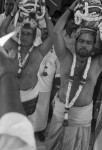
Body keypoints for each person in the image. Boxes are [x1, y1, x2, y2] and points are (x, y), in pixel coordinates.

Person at [45, 1, 102, 150]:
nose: (84, 45)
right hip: (59, 115)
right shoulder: (66, 58)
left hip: (81, 120)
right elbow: (57, 32)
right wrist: (71, 8)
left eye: (89, 42)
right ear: (75, 41)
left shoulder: (96, 64)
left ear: (94, 45)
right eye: (81, 41)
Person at [0, 1, 54, 130]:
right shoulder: (13, 47)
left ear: (34, 36)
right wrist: (13, 12)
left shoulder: (38, 52)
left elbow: (52, 36)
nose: (24, 37)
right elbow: (1, 31)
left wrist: (46, 15)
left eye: (28, 34)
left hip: (29, 98)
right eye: (23, 33)